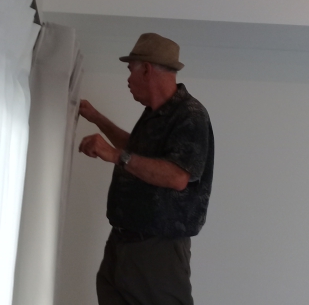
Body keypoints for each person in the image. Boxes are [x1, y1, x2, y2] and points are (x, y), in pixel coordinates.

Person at [78, 32, 214, 305]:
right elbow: (138, 151)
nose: (128, 80)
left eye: (131, 70)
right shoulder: (154, 113)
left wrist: (114, 155)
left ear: (147, 69)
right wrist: (96, 118)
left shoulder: (190, 115)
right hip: (124, 243)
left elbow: (177, 176)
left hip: (157, 250)